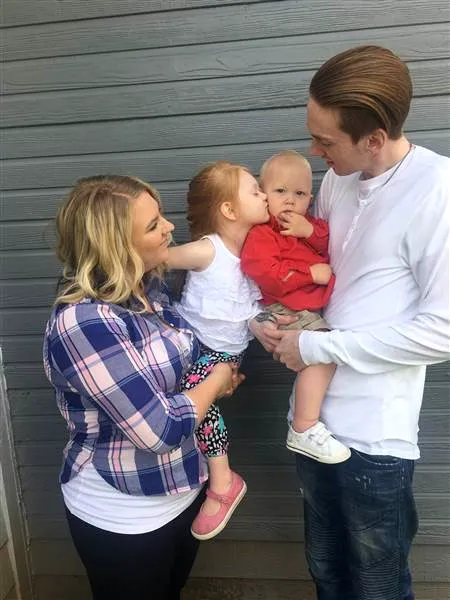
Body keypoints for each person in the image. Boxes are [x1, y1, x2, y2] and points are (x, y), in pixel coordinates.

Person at [265, 46, 450, 600]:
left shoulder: (437, 190)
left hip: (376, 436)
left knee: (378, 586)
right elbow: (314, 279)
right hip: (312, 425)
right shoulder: (337, 181)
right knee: (326, 571)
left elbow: (443, 330)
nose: (314, 152)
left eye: (325, 141)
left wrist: (316, 349)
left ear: (374, 138)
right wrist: (269, 321)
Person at [42, 175, 245, 600]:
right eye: (153, 225)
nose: (170, 227)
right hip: (124, 515)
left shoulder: (151, 290)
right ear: (116, 246)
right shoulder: (84, 323)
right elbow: (159, 430)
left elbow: (183, 376)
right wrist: (215, 381)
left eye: (162, 216)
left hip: (184, 492)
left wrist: (210, 380)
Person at [167, 160, 286, 540]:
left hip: (223, 355)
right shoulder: (209, 250)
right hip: (189, 345)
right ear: (230, 210)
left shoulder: (256, 253)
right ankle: (219, 478)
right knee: (193, 404)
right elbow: (160, 258)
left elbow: (246, 304)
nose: (264, 196)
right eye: (255, 191)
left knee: (196, 402)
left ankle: (222, 481)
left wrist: (260, 326)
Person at [241, 149, 350, 464]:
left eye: (299, 194)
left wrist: (309, 231)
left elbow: (331, 242)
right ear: (264, 194)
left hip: (306, 309)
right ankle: (304, 426)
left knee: (322, 356)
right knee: (323, 354)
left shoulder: (308, 227)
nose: (290, 200)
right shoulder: (262, 234)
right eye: (280, 191)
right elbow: (267, 274)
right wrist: (310, 273)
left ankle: (308, 419)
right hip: (283, 307)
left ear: (310, 199)